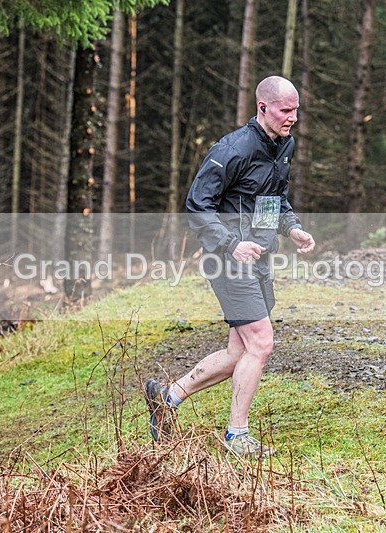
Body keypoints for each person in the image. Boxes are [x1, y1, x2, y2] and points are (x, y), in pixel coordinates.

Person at [144, 75, 315, 458]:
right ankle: (237, 435)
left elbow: (274, 200)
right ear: (262, 107)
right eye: (286, 111)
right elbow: (197, 205)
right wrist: (231, 244)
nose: (292, 119)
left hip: (259, 259)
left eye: (296, 111)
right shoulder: (233, 149)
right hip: (228, 261)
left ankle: (167, 398)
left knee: (240, 352)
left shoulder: (283, 146)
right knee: (262, 342)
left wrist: (294, 229)